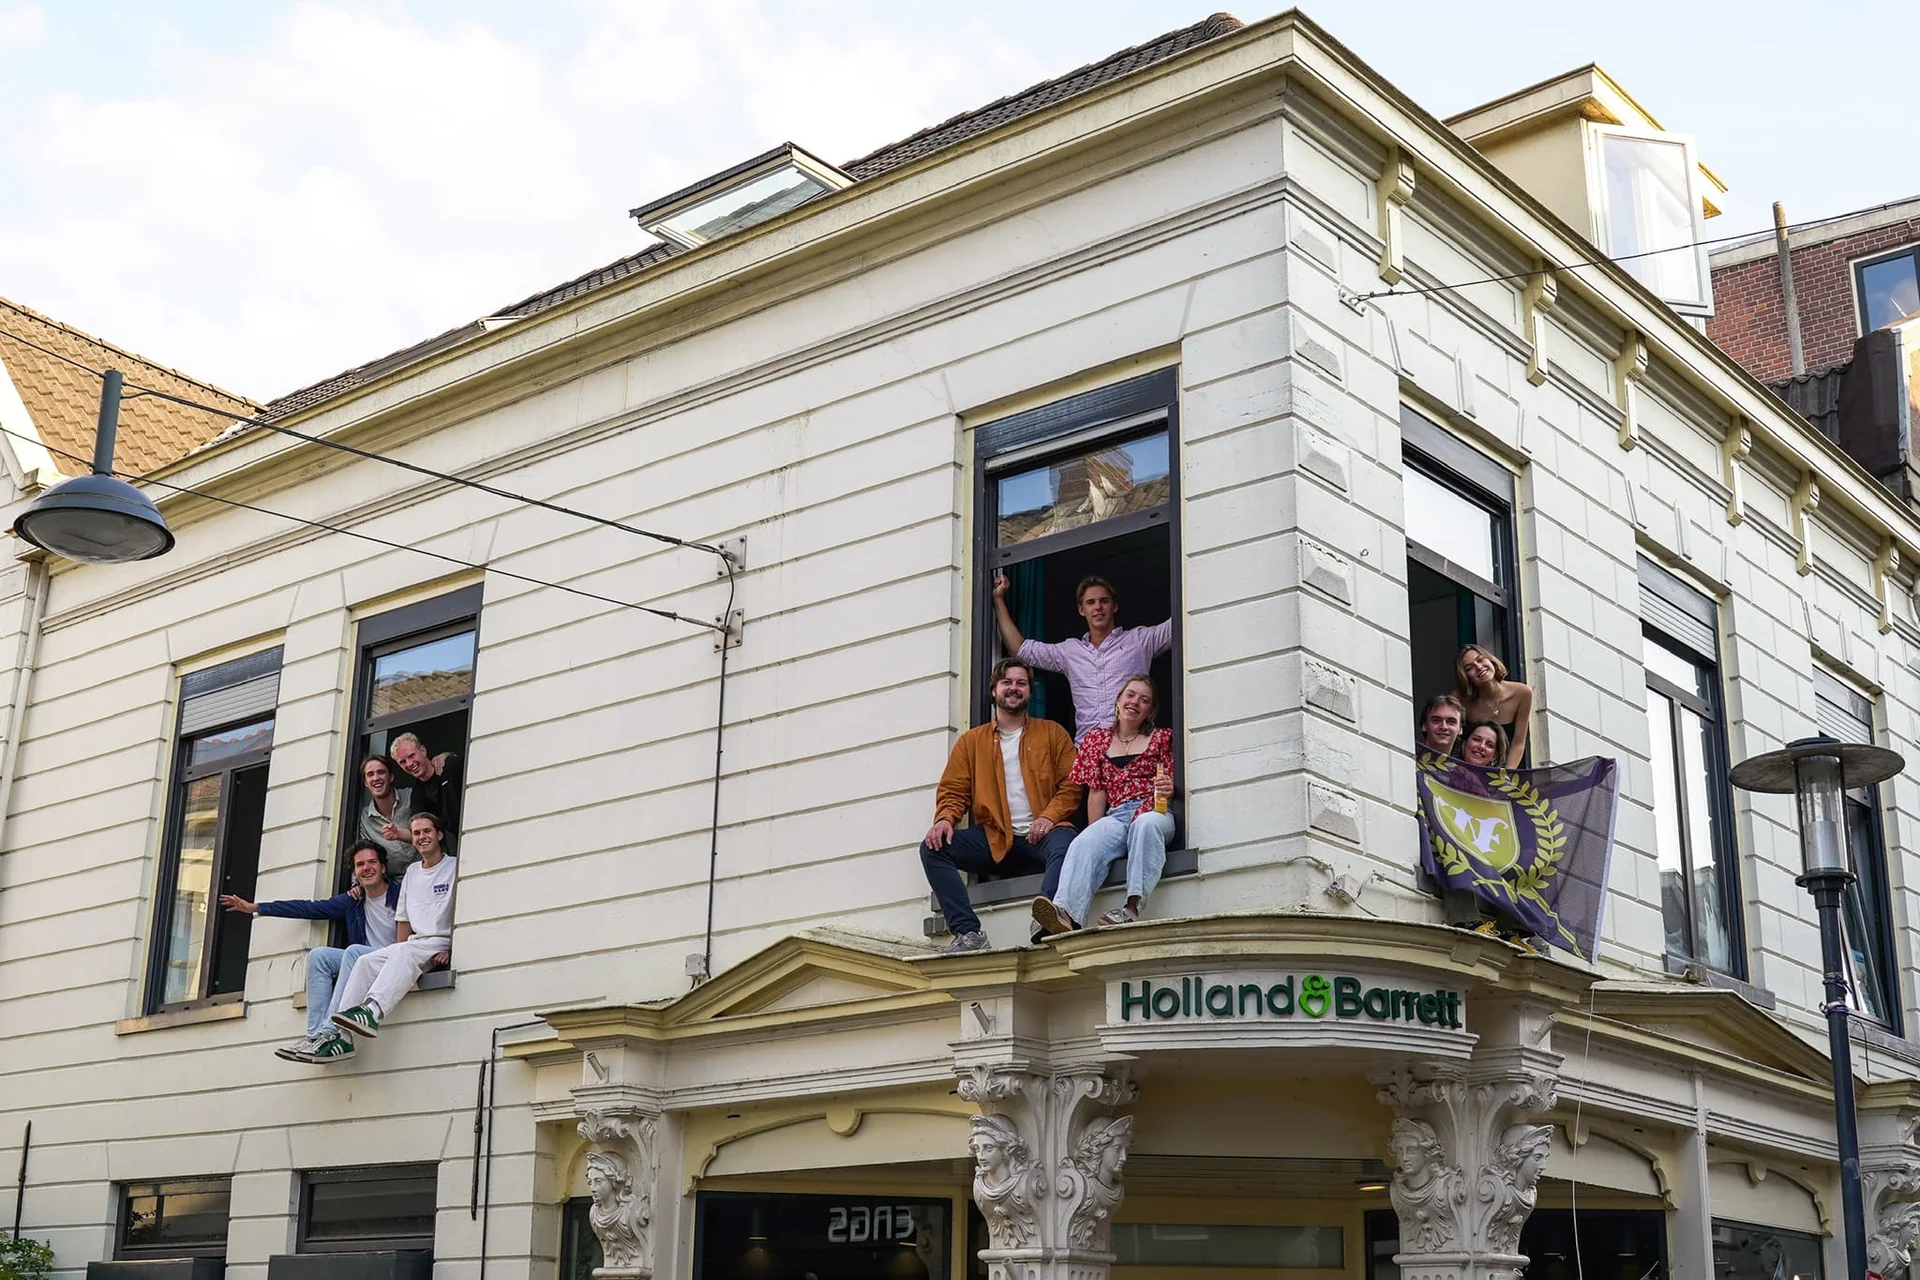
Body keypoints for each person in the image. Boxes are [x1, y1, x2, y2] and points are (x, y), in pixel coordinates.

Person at [921, 658, 1082, 953]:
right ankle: (969, 934)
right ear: (994, 690)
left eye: (1021, 683)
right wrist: (945, 819)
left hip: (1043, 836)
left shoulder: (1052, 733)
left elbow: (1071, 785)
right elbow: (954, 790)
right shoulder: (971, 742)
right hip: (997, 839)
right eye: (1007, 682)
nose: (1014, 688)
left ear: (1030, 692)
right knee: (933, 848)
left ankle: (1047, 917)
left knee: (1070, 843)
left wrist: (1048, 817)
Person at [219, 840, 401, 1063]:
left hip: (394, 964)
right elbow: (311, 908)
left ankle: (331, 1032)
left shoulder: (401, 894)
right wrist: (257, 908)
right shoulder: (353, 901)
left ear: (383, 867)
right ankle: (315, 1036)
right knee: (319, 956)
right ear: (355, 872)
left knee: (354, 952)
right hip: (365, 962)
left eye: (372, 862)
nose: (367, 868)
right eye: (360, 864)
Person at [1032, 676, 1176, 934]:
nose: (1135, 702)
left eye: (1144, 700)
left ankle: (1130, 910)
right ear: (1118, 700)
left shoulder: (1163, 738)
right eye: (1130, 695)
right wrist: (1098, 840)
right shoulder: (1096, 740)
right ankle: (1065, 915)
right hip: (1118, 815)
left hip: (1155, 810)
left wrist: (1169, 789)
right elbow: (1096, 793)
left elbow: (1171, 783)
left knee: (1145, 825)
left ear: (1151, 711)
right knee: (1085, 841)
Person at [313, 812, 457, 1059]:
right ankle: (342, 1037)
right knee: (364, 960)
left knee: (402, 951)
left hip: (440, 942)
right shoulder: (412, 872)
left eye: (427, 831)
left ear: (439, 834)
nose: (422, 837)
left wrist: (453, 948)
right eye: (417, 833)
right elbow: (403, 920)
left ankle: (372, 1011)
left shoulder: (454, 866)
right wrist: (397, 961)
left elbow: (462, 910)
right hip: (415, 944)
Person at [992, 573, 1172, 742]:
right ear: (1081, 609)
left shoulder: (1140, 640)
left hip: (1132, 746)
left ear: (1114, 606)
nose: (1098, 607)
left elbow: (1178, 624)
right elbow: (1021, 649)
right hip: (1087, 753)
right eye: (1091, 602)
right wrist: (998, 599)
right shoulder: (1070, 651)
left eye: (1104, 601)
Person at [1456, 645, 1532, 767]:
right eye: (1470, 667)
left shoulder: (1522, 693)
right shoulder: (1460, 700)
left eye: (1480, 660)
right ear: (1466, 676)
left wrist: (1506, 777)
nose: (1479, 667)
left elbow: (1518, 742)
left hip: (1508, 772)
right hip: (1468, 771)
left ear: (1490, 660)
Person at [392, 732, 464, 843]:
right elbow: (420, 829)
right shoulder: (417, 795)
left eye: (411, 756)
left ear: (423, 751)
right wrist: (398, 833)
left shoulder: (450, 765)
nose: (409, 763)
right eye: (403, 762)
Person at [357, 754, 416, 874]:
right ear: (366, 783)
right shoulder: (365, 818)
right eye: (370, 774)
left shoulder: (412, 796)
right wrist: (358, 884)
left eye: (381, 772)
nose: (376, 778)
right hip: (394, 884)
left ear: (391, 777)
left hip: (428, 873)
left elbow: (432, 831)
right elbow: (365, 854)